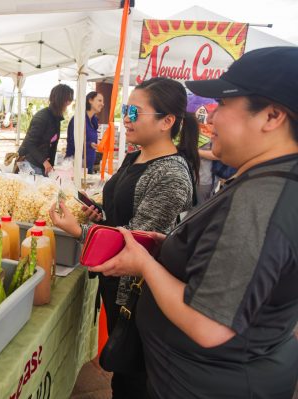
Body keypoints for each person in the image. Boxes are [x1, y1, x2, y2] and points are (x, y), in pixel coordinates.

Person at [90, 46, 298, 398]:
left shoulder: (261, 201)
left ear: (272, 116)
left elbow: (209, 324)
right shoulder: (267, 180)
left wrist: (144, 263)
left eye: (224, 104)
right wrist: (163, 246)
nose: (211, 118)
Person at [51, 77, 199, 398]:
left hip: (141, 296)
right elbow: (122, 219)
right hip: (116, 283)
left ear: (167, 122)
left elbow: (136, 247)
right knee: (123, 371)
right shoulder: (136, 156)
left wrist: (78, 231)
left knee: (134, 378)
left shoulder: (170, 175)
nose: (125, 118)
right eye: (124, 110)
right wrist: (100, 216)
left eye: (134, 111)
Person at [17, 84, 74, 175]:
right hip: (32, 164)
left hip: (41, 165)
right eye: (68, 100)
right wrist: (44, 161)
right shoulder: (42, 117)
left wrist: (50, 164)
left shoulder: (56, 117)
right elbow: (29, 143)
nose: (69, 103)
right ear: (60, 99)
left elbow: (50, 144)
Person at [65, 91, 104, 174]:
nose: (102, 104)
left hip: (88, 165)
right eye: (99, 100)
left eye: (103, 101)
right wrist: (89, 144)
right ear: (90, 100)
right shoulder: (79, 118)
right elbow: (73, 141)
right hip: (77, 165)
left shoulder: (94, 121)